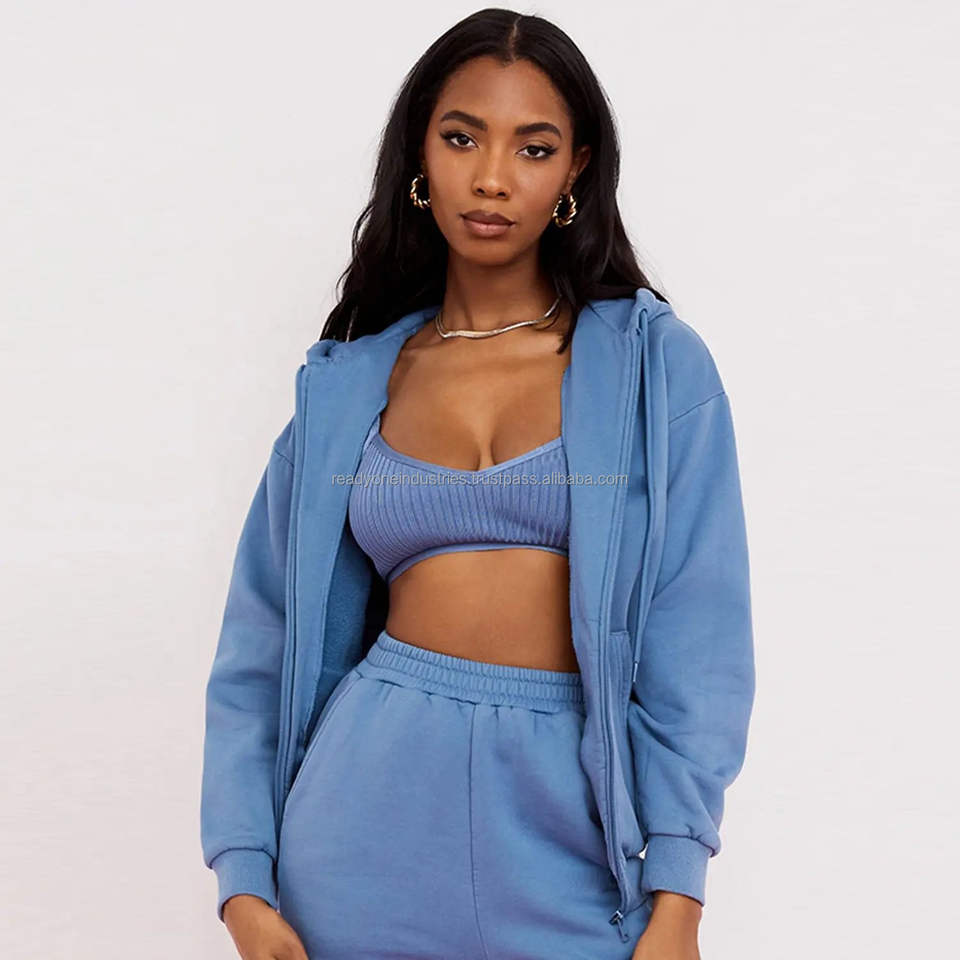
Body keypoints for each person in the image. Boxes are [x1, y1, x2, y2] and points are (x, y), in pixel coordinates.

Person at [200, 9, 756, 960]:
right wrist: (245, 881)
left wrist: (679, 893)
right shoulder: (345, 387)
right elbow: (261, 647)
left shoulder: (653, 368)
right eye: (462, 138)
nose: (493, 177)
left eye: (533, 148)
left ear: (576, 169)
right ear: (420, 152)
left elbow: (699, 638)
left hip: (574, 837)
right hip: (360, 827)